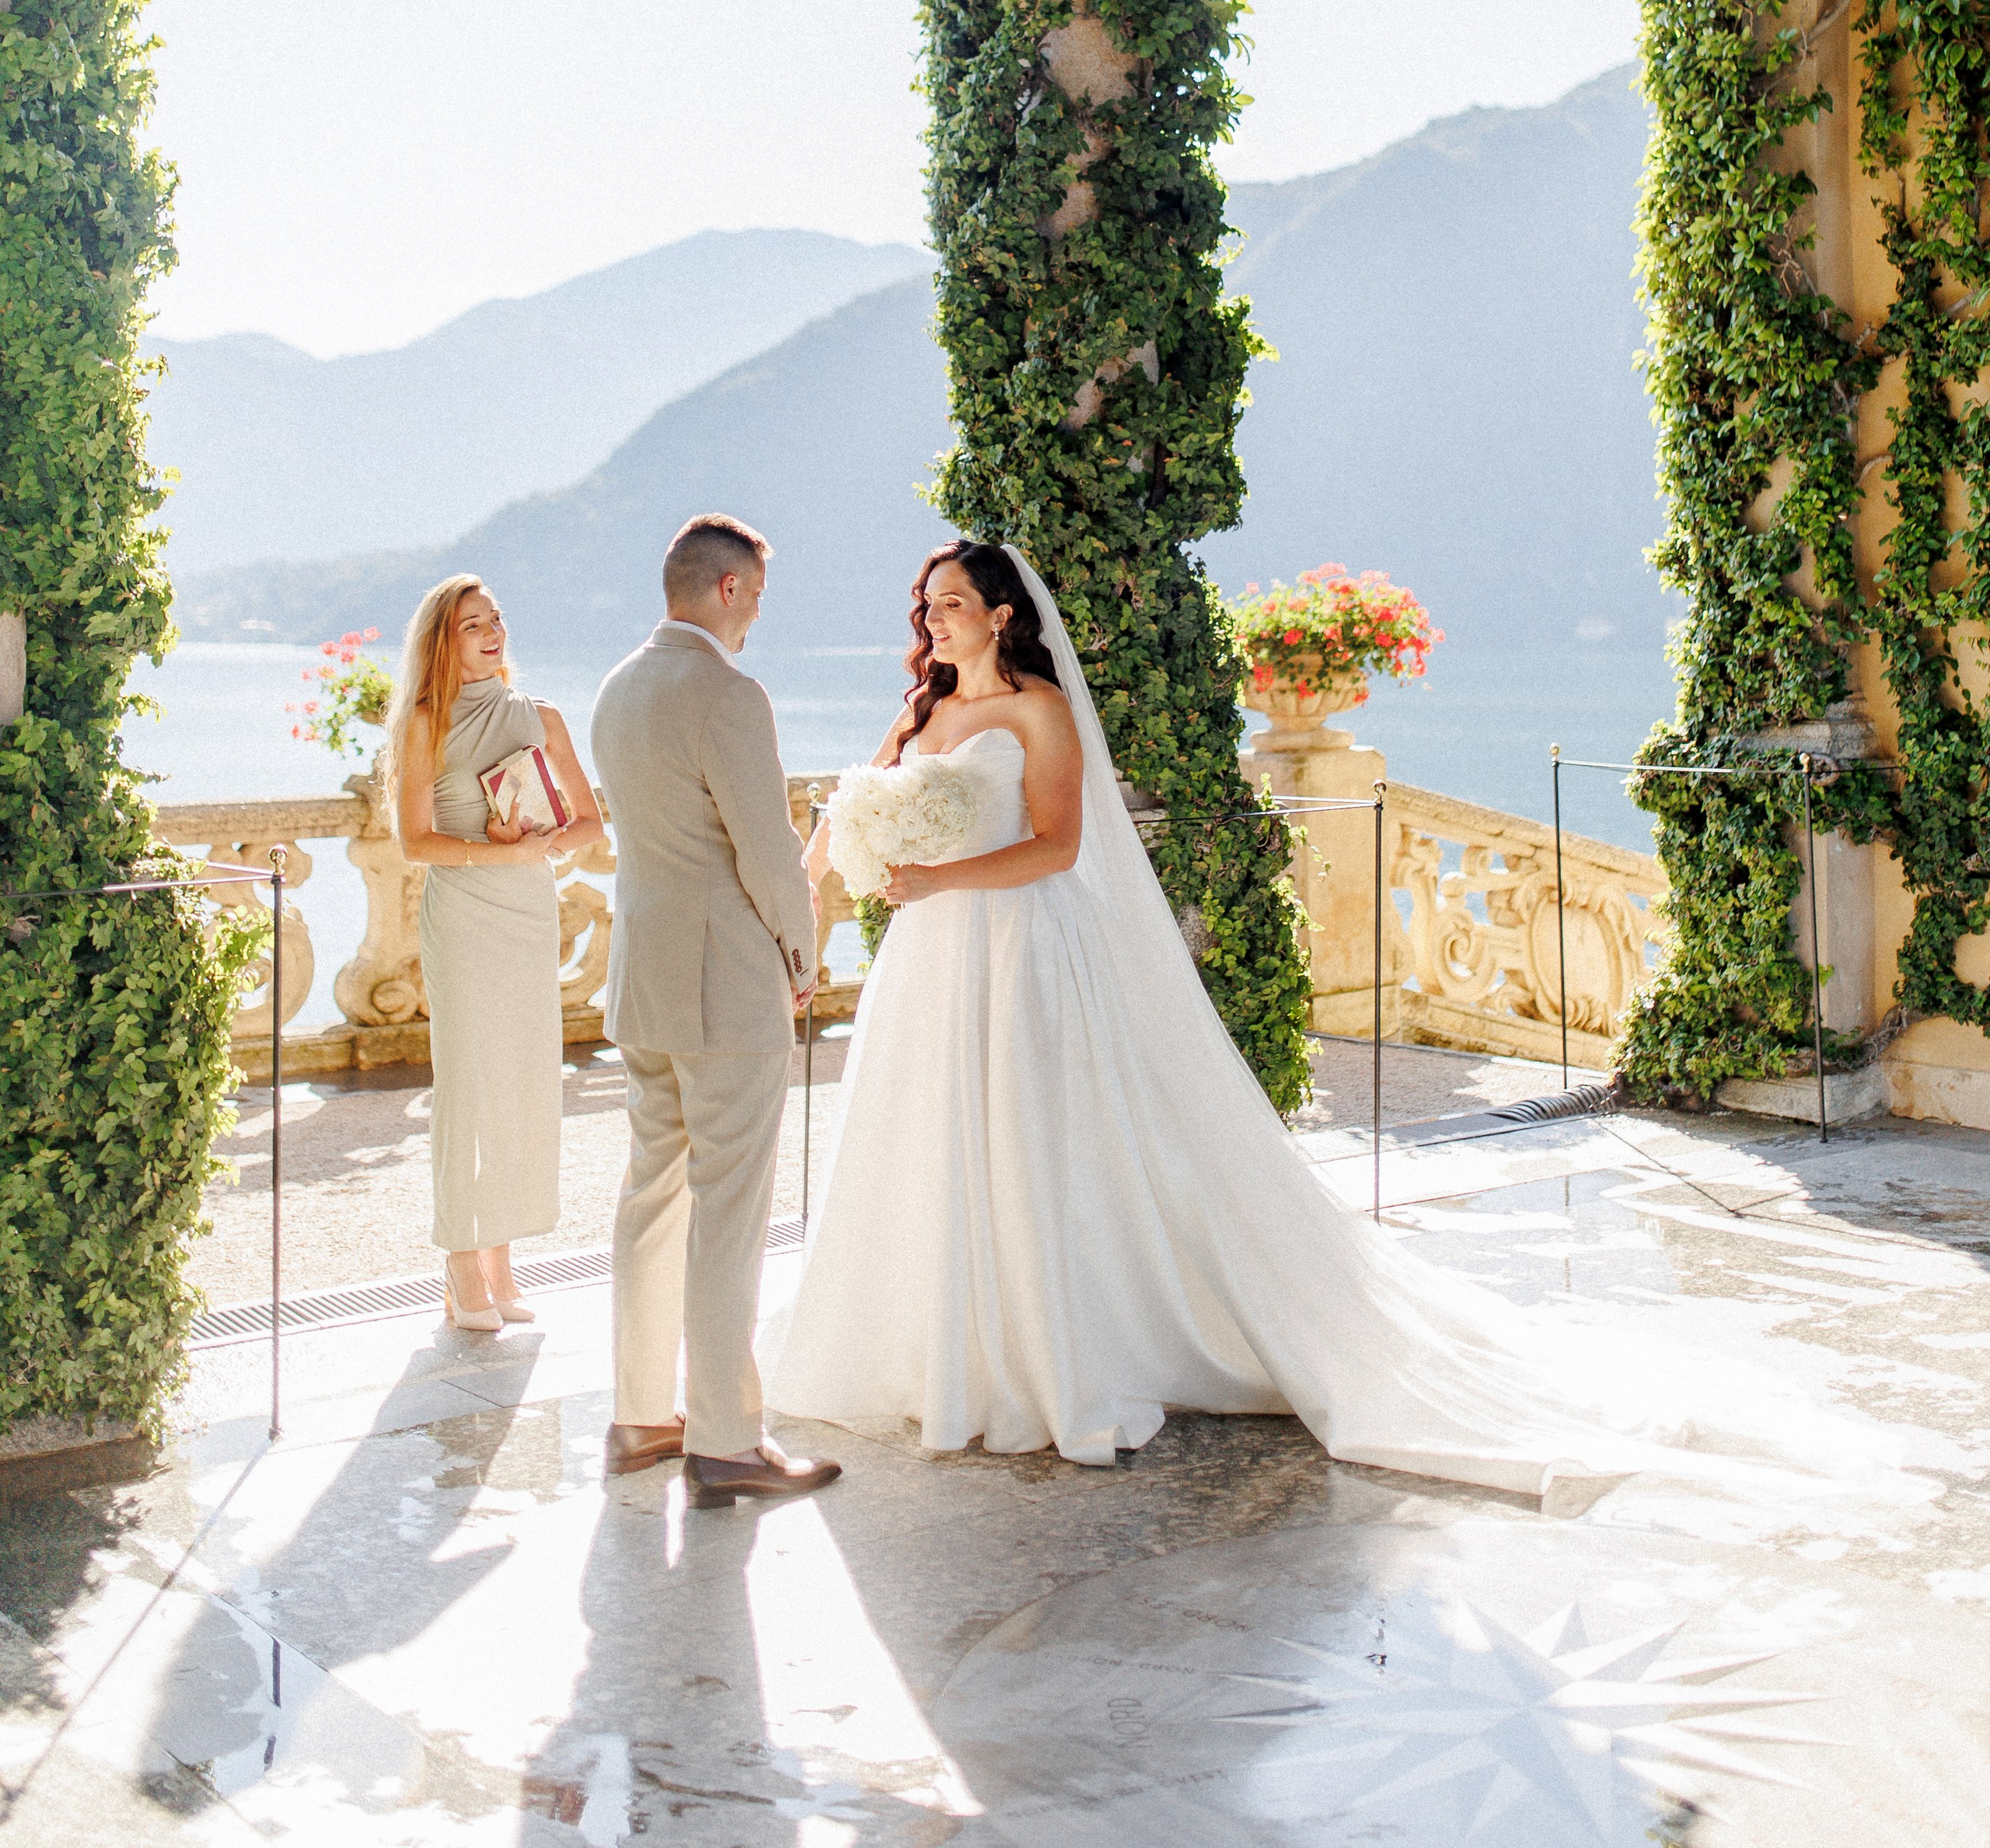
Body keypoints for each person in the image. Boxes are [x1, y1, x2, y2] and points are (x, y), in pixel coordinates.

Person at [769, 540, 1939, 1515]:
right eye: (927, 607)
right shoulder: (917, 711)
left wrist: (936, 882)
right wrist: (837, 887)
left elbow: (1063, 849)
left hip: (1015, 948)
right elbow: (851, 819)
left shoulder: (1038, 711)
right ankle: (939, 1347)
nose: (934, 620)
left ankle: (1039, 1355)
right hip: (926, 964)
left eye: (953, 604)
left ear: (1005, 614)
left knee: (1022, 1144)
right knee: (930, 1143)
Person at [590, 512, 840, 1507]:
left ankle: (642, 1414)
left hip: (642, 973)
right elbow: (767, 851)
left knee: (651, 1195)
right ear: (729, 589)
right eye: (758, 601)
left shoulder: (618, 686)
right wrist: (805, 953)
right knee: (729, 1212)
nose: (755, 624)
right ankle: (729, 1442)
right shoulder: (727, 693)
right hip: (726, 981)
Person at [389, 574, 603, 1332]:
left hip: (526, 912)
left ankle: (501, 1266)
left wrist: (540, 845)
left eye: (497, 619)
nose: (491, 632)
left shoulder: (539, 716)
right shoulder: (424, 723)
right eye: (472, 623)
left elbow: (590, 825)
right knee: (471, 1085)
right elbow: (414, 840)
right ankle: (459, 1265)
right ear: (442, 640)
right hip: (467, 911)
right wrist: (497, 855)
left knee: (520, 1082)